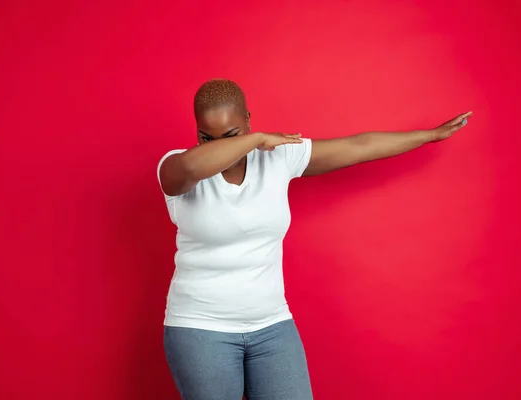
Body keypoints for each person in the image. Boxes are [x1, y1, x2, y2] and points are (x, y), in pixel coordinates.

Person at [157, 79, 472, 400]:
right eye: (205, 137)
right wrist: (256, 139)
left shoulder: (277, 158)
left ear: (248, 118)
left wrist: (430, 136)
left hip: (271, 325)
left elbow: (358, 146)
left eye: (231, 135)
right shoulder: (178, 167)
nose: (217, 145)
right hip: (201, 328)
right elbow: (193, 165)